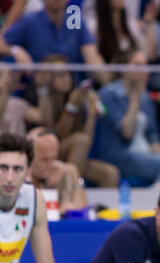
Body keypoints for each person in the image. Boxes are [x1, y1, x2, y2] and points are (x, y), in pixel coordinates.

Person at [96, 49, 160, 189]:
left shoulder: (145, 97)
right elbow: (126, 132)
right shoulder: (107, 95)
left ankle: (159, 188)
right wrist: (134, 100)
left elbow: (152, 138)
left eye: (146, 65)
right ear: (123, 69)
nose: (144, 70)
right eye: (138, 64)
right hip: (121, 155)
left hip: (145, 152)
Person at [29, 54, 120, 188]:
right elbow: (52, 136)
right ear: (47, 77)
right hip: (48, 156)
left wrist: (91, 114)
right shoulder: (43, 97)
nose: (66, 79)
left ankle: (102, 208)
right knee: (80, 140)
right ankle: (72, 193)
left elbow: (87, 140)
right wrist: (71, 108)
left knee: (110, 173)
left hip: (73, 158)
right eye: (60, 74)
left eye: (68, 73)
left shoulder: (74, 96)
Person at [0, 132, 67, 263]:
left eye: (17, 169)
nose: (9, 178)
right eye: (3, 168)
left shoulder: (33, 200)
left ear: (28, 171)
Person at [0, 0, 111, 85]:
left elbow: (92, 56)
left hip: (73, 91)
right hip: (39, 92)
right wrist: (15, 50)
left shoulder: (76, 21)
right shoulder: (30, 21)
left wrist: (109, 81)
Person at [27, 128, 88, 214]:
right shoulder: (17, 175)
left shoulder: (63, 171)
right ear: (29, 156)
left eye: (54, 158)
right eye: (45, 159)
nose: (51, 165)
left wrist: (73, 174)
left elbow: (83, 213)